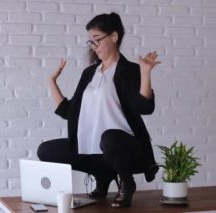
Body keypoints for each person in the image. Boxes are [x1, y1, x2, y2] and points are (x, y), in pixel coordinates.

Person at [37, 12, 160, 208]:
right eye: (90, 42)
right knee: (46, 150)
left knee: (109, 137)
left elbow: (145, 108)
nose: (93, 46)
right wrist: (51, 82)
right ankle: (102, 174)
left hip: (125, 149)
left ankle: (127, 183)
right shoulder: (89, 73)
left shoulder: (128, 70)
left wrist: (145, 73)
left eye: (97, 40)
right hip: (95, 151)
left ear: (114, 37)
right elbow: (70, 112)